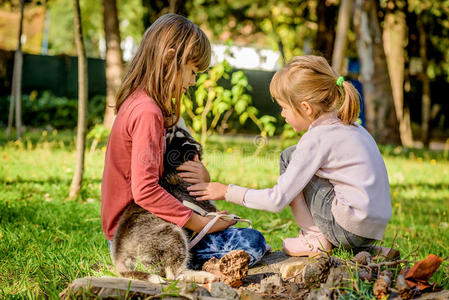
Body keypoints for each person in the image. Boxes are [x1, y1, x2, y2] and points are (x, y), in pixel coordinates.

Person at [101, 13, 266, 270]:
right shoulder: (148, 112)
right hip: (139, 240)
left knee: (247, 240)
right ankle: (184, 269)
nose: (192, 81)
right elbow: (144, 191)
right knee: (253, 242)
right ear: (169, 59)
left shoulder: (140, 103)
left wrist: (203, 184)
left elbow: (162, 178)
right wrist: (199, 222)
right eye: (192, 71)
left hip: (137, 233)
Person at [188, 55, 392, 257]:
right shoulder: (352, 126)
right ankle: (365, 250)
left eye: (284, 108)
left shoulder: (316, 139)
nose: (283, 115)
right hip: (370, 230)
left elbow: (277, 200)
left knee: (289, 157)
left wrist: (226, 191)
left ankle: (313, 239)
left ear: (306, 108)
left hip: (347, 228)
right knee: (297, 158)